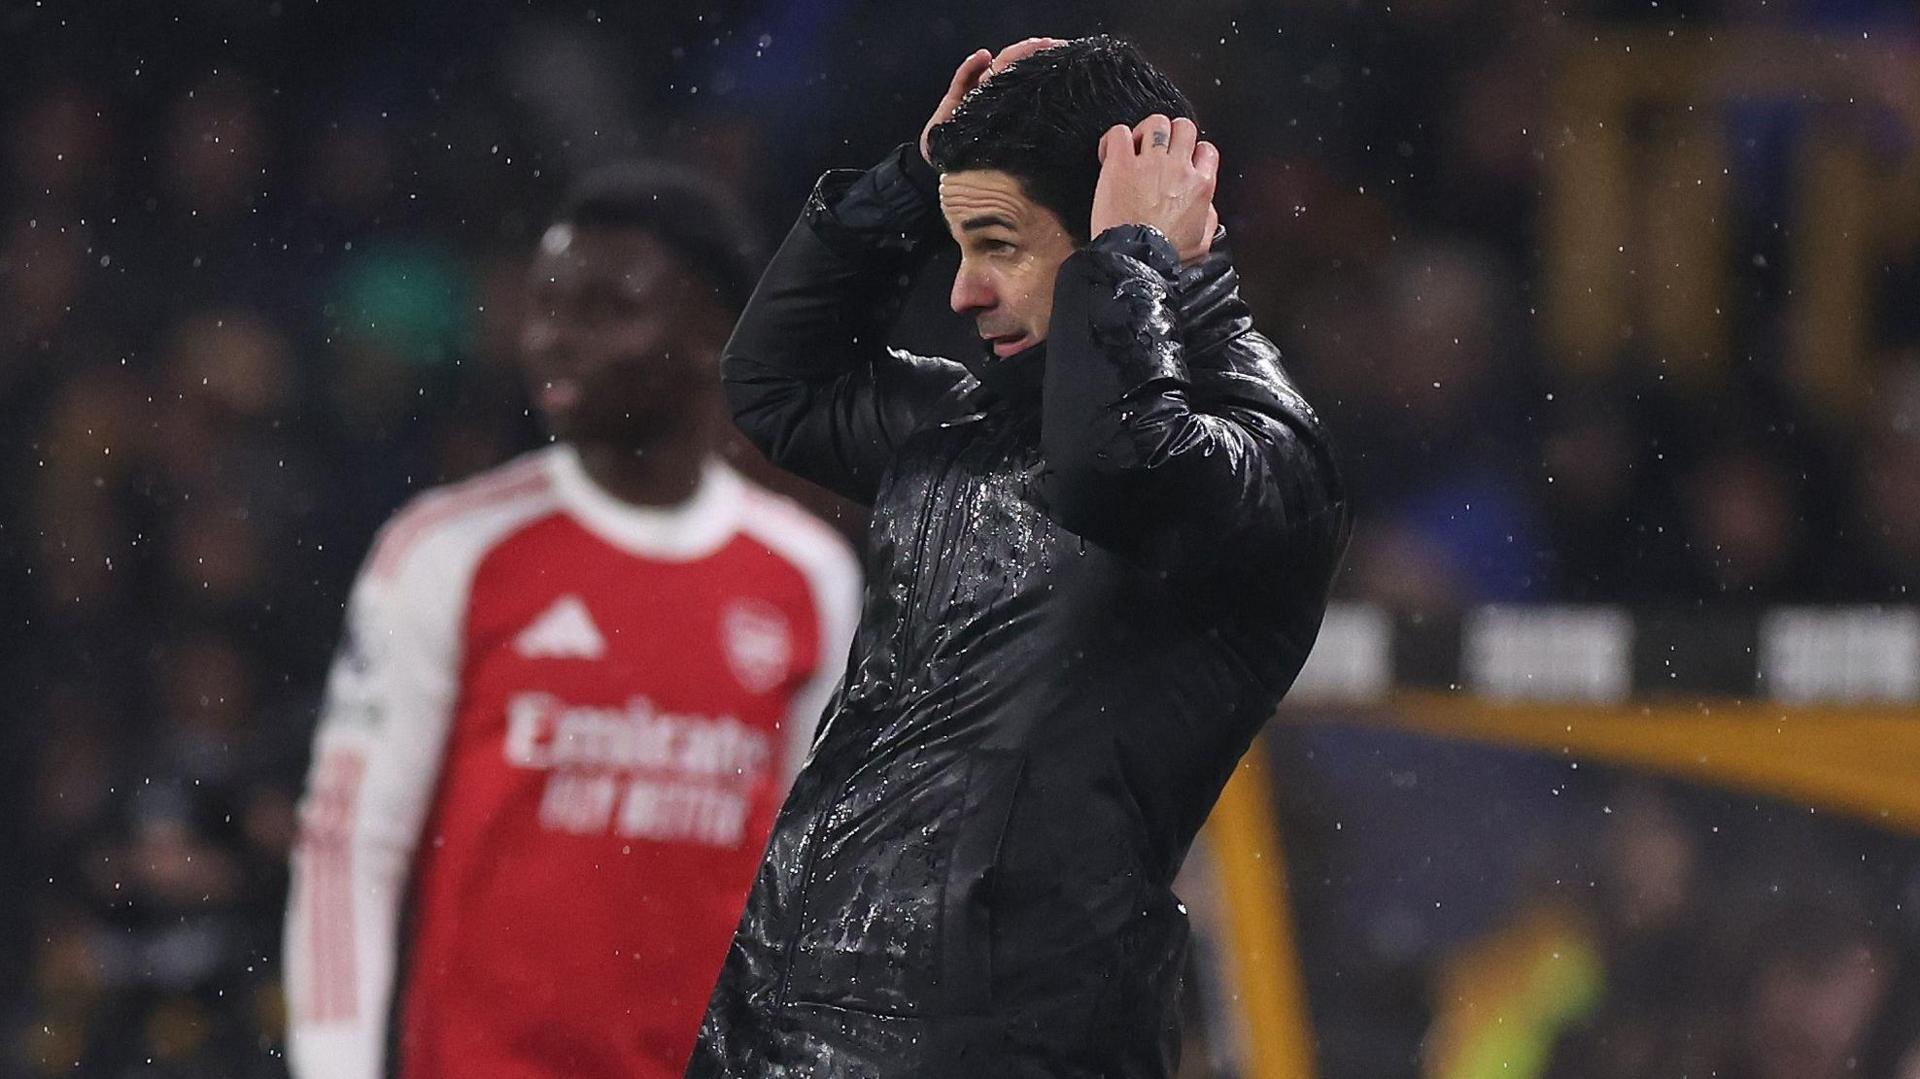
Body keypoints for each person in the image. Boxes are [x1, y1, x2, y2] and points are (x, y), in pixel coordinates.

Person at [690, 35, 1350, 1077]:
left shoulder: (1262, 456)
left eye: (997, 242)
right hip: (774, 1030)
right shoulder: (959, 425)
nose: (962, 291)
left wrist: (1132, 261)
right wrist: (912, 177)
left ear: (1116, 222)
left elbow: (1113, 469)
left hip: (1010, 1049)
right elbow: (779, 386)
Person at [281, 165, 861, 1079]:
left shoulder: (808, 575)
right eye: (546, 303)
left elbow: (811, 884)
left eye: (605, 307)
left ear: (714, 333)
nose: (555, 336)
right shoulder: (446, 549)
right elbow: (349, 850)